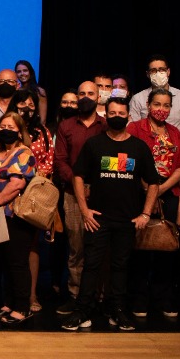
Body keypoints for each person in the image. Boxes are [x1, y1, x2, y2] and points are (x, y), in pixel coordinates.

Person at [61, 97, 163, 332]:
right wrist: (84, 210)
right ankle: (82, 310)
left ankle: (117, 310)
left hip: (128, 219)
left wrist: (146, 214)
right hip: (98, 219)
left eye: (121, 113)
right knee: (91, 265)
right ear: (105, 116)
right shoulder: (94, 144)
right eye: (113, 113)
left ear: (129, 116)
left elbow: (153, 182)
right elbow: (78, 176)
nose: (117, 117)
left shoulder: (139, 147)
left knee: (120, 266)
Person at [125, 88, 180, 318]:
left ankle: (163, 299)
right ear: (148, 105)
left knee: (165, 247)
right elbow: (127, 159)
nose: (161, 109)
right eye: (157, 104)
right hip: (139, 193)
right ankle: (139, 299)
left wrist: (161, 189)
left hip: (167, 194)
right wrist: (148, 187)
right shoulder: (135, 128)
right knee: (140, 248)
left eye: (166, 105)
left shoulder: (175, 132)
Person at [52, 81, 106, 313]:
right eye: (81, 93)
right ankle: (76, 295)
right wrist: (78, 184)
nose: (85, 97)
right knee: (76, 248)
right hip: (72, 194)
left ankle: (99, 296)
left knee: (101, 248)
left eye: (90, 93)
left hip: (102, 195)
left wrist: (96, 185)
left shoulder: (106, 125)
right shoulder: (66, 125)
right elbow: (60, 160)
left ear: (98, 97)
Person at [0, 112, 38, 324]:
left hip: (16, 215)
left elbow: (17, 183)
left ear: (20, 132)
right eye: (3, 127)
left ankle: (23, 306)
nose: (6, 130)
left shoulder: (23, 153)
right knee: (3, 261)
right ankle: (9, 302)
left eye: (11, 127)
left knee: (17, 262)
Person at [10, 89, 53, 313]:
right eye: (21, 103)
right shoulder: (6, 127)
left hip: (33, 196)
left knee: (31, 246)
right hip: (6, 194)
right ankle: (9, 297)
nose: (26, 108)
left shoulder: (42, 132)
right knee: (8, 247)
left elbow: (48, 162)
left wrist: (30, 179)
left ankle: (32, 295)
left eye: (30, 104)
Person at [129, 54, 180, 128]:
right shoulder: (137, 99)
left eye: (162, 69)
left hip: (176, 135)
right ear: (148, 74)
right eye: (153, 70)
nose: (158, 73)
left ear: (168, 72)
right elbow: (133, 128)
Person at [14, 59, 48, 124]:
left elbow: (43, 119)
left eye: (25, 70)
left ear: (30, 72)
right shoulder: (16, 91)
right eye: (19, 71)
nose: (22, 74)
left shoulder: (39, 91)